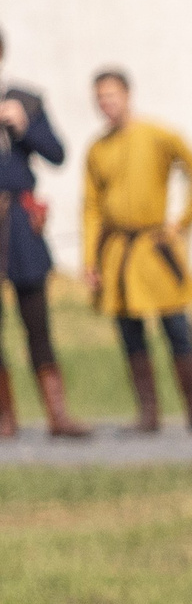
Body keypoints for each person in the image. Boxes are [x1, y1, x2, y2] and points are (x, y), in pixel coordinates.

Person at [81, 69, 192, 435]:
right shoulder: (97, 149)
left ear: (127, 95)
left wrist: (183, 221)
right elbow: (91, 208)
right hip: (117, 253)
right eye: (100, 98)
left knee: (177, 327)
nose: (106, 103)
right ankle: (148, 414)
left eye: (111, 95)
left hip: (155, 248)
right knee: (130, 332)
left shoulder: (158, 134)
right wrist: (89, 258)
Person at [0, 29, 86, 437]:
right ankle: (5, 417)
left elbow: (57, 154)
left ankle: (57, 415)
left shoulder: (25, 101)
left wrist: (24, 126)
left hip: (18, 223)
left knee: (36, 319)